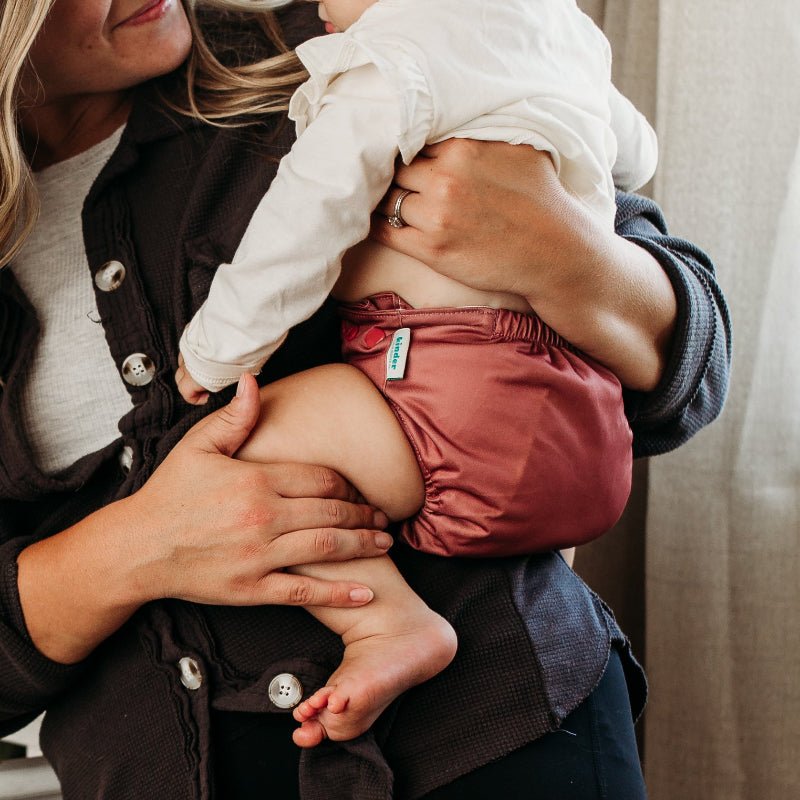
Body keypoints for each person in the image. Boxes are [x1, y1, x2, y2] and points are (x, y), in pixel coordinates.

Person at [0, 1, 731, 799]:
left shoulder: (336, 52)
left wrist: (568, 255)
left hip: (496, 737)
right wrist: (136, 546)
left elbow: (692, 372)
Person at [173, 0, 657, 745]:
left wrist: (219, 348)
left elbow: (305, 220)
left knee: (247, 443)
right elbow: (637, 154)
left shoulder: (391, 55)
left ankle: (388, 624)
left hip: (447, 399)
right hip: (587, 415)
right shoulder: (555, 23)